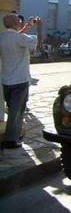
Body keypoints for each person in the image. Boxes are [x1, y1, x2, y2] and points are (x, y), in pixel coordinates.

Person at [0, 13, 42, 149]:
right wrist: (39, 28)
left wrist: (27, 26)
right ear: (14, 23)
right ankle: (11, 140)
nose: (20, 20)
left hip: (6, 80)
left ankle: (13, 136)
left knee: (12, 109)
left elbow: (16, 36)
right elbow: (38, 42)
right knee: (16, 111)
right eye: (18, 20)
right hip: (20, 80)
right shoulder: (19, 38)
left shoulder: (3, 37)